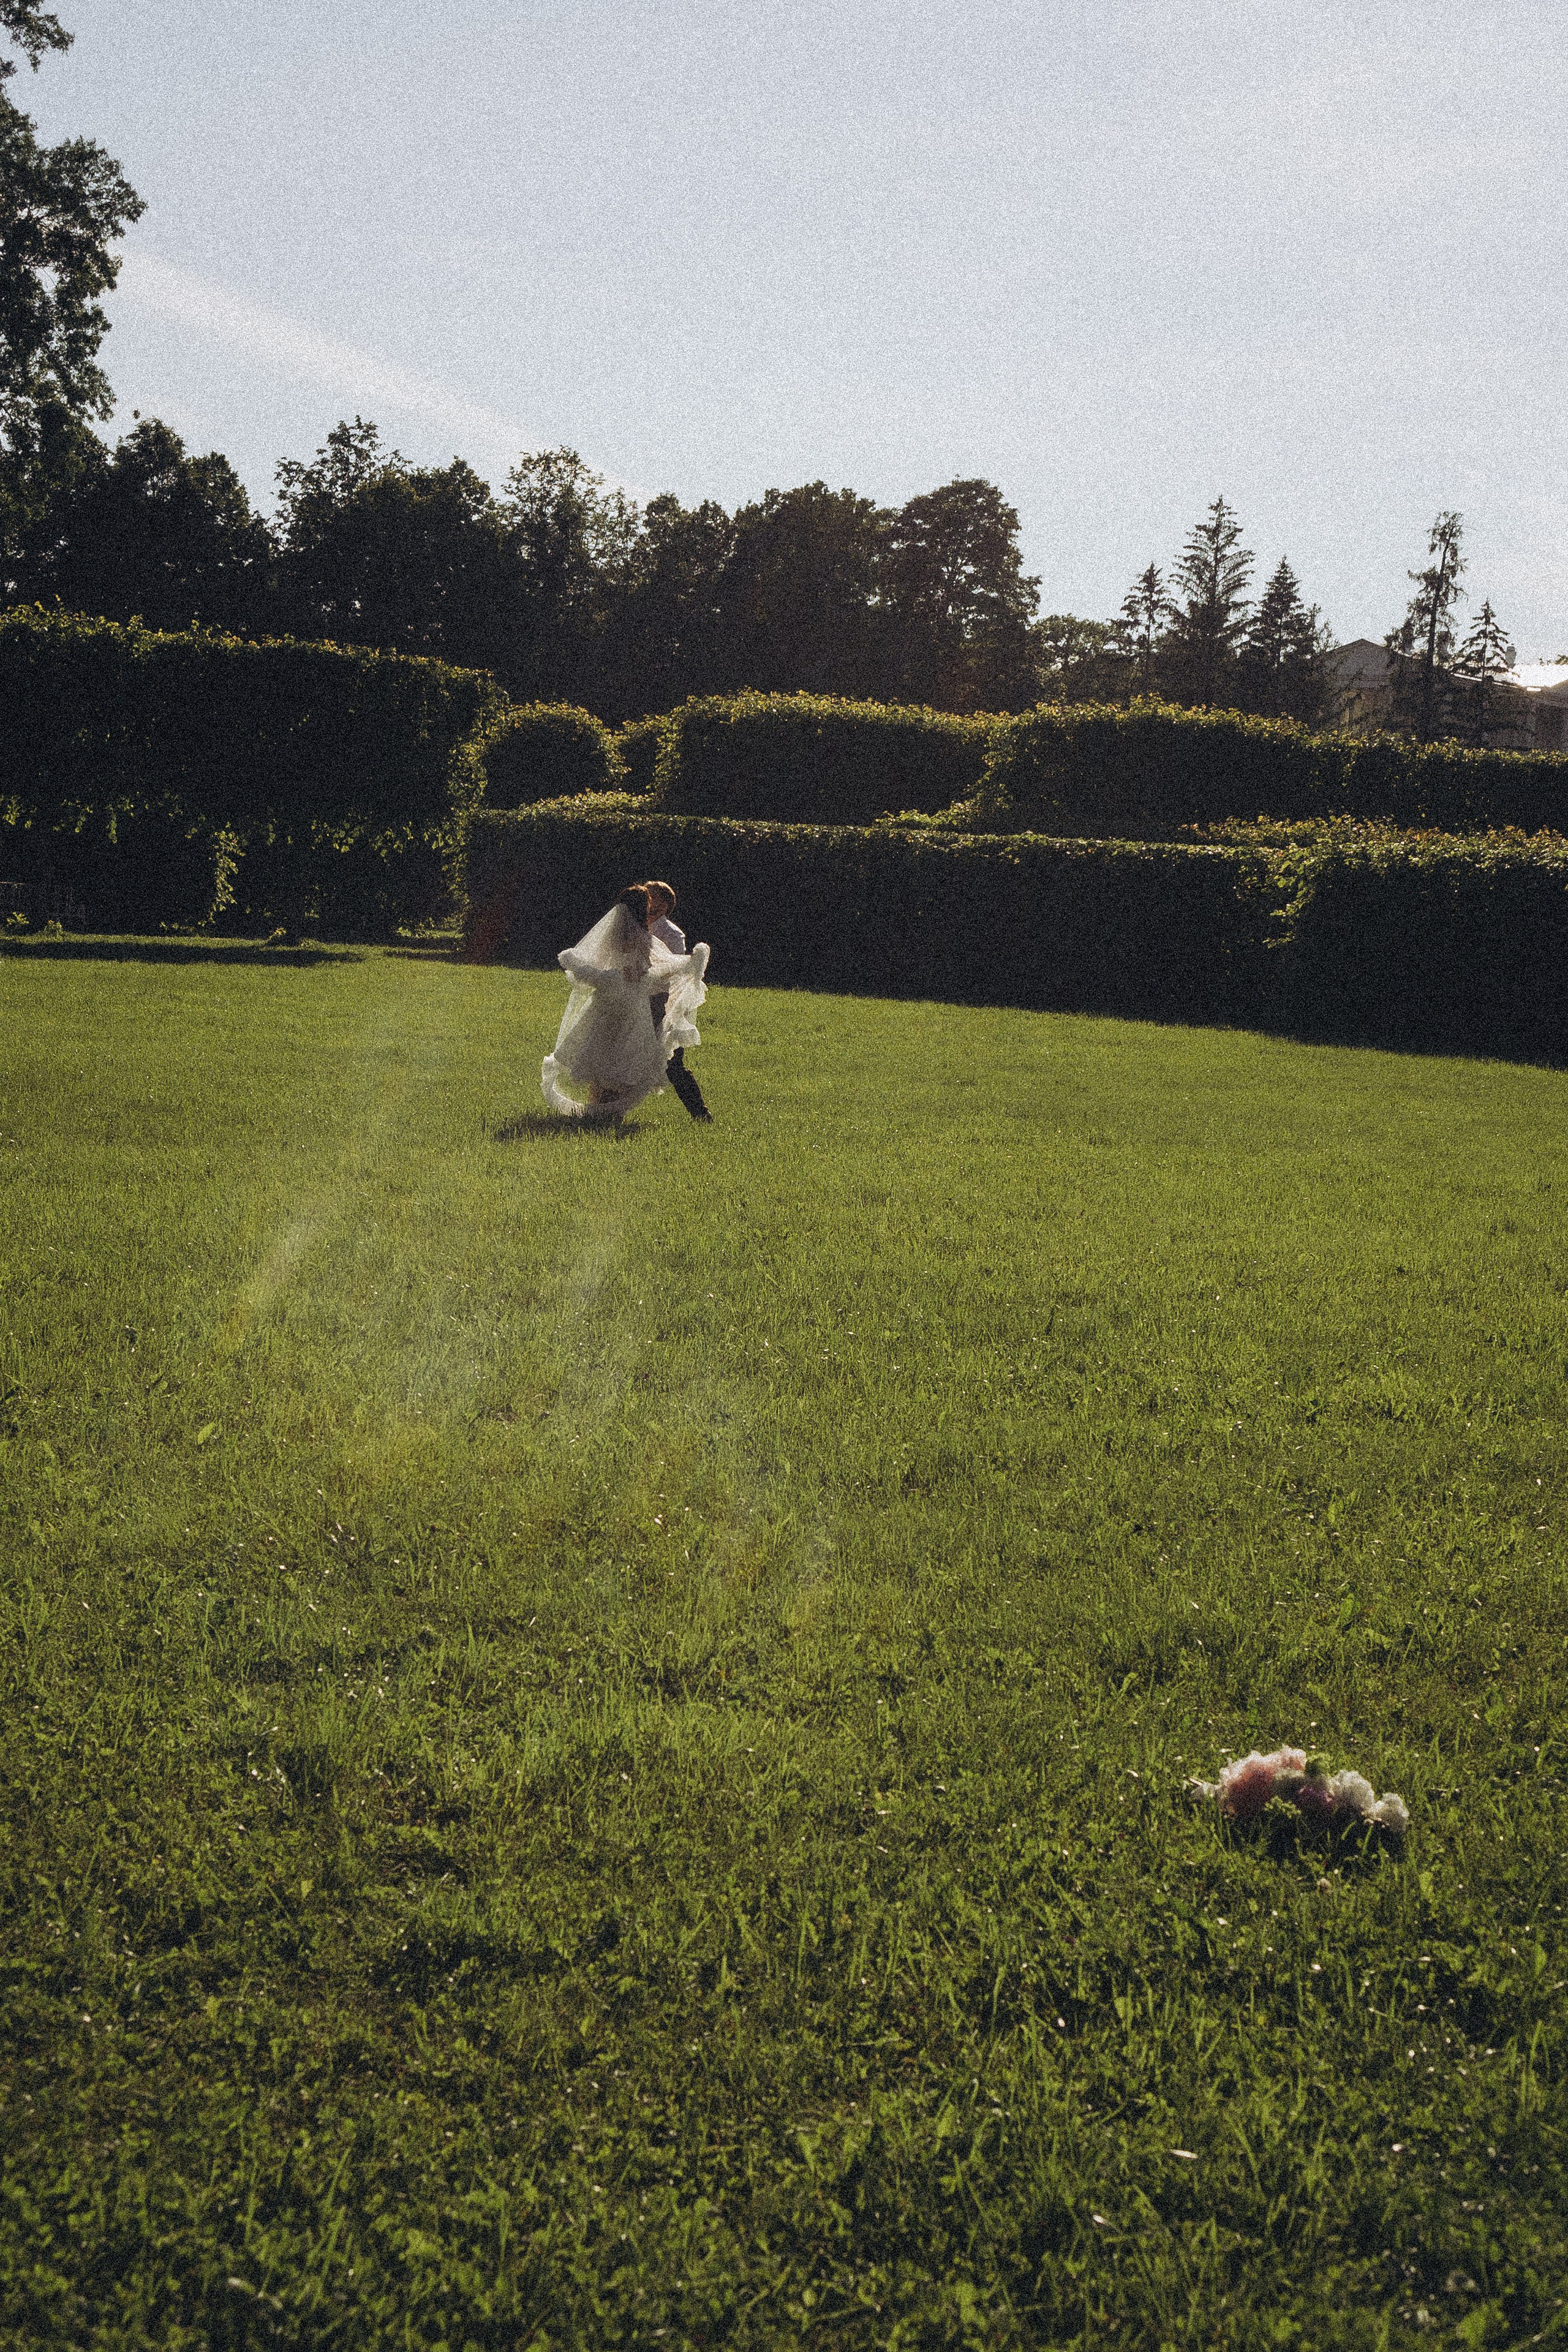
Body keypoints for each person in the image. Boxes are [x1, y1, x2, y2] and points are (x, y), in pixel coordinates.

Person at [541, 885, 710, 1121]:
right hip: (630, 1004)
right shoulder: (641, 933)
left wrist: (580, 965)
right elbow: (651, 966)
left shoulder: (640, 932)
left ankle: (600, 1109)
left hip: (627, 1003)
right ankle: (603, 1112)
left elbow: (650, 969)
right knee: (618, 1057)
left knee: (614, 1055)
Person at [639, 879, 713, 1121]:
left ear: (663, 905)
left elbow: (676, 970)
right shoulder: (633, 926)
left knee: (672, 1062)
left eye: (651, 897)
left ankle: (701, 1114)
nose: (645, 899)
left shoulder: (672, 934)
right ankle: (605, 1111)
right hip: (634, 997)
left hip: (661, 1002)